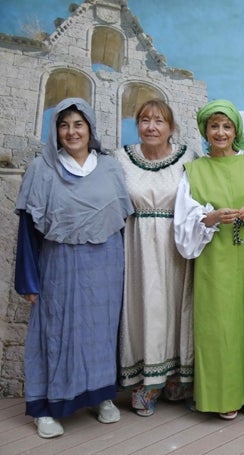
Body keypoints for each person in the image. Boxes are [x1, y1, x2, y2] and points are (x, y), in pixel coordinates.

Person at [14, 98, 133, 438]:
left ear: (90, 128)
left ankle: (100, 395)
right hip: (60, 262)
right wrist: (29, 281)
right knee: (56, 331)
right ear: (56, 130)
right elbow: (27, 230)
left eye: (78, 124)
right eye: (64, 125)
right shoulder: (43, 168)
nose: (71, 131)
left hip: (105, 263)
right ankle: (45, 407)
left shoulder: (110, 167)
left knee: (100, 331)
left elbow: (120, 221)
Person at [174, 99, 244, 420]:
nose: (221, 132)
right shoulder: (194, 172)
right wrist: (208, 219)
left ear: (236, 129)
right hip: (215, 261)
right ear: (205, 131)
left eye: (227, 126)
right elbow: (184, 221)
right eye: (214, 126)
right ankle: (224, 394)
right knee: (219, 325)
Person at [114, 99, 195, 417]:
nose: (151, 126)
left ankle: (176, 378)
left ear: (171, 128)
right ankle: (146, 383)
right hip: (136, 245)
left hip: (175, 246)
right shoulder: (122, 158)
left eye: (159, 121)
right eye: (145, 120)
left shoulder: (188, 158)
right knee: (144, 308)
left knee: (176, 307)